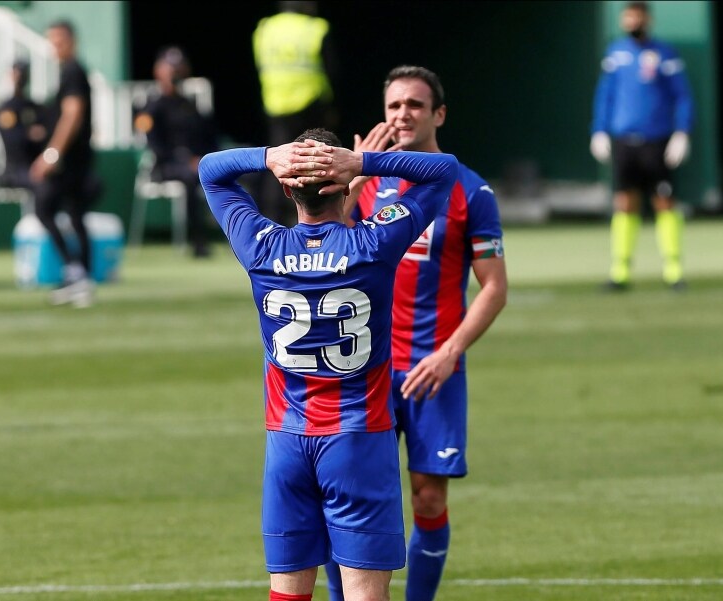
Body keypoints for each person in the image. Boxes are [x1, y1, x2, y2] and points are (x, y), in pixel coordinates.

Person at [198, 128, 457, 601]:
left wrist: (270, 154)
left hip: (287, 443)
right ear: (341, 185)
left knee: (288, 593)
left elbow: (211, 171)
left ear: (284, 186)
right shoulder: (374, 244)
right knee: (363, 593)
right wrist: (362, 161)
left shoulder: (260, 245)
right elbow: (444, 171)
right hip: (359, 440)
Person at [325, 65, 509, 601]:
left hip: (435, 368)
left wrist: (451, 352)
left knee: (427, 499)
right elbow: (321, 251)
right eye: (393, 106)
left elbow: (494, 287)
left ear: (439, 115)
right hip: (368, 368)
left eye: (414, 105)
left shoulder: (471, 190)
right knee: (352, 498)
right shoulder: (364, 186)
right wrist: (355, 180)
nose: (402, 115)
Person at [589, 0, 695, 292]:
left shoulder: (664, 53)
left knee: (664, 201)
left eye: (637, 16)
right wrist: (598, 130)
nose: (632, 22)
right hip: (625, 140)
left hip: (657, 140)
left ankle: (673, 270)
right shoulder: (616, 53)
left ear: (647, 19)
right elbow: (605, 94)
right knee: (624, 202)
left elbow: (682, 96)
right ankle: (620, 271)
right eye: (628, 17)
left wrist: (682, 133)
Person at [29, 18, 103, 308]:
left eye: (60, 39)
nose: (55, 45)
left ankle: (76, 271)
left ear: (71, 40)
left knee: (44, 207)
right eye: (52, 39)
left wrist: (51, 154)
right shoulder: (69, 71)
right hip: (76, 157)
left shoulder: (72, 70)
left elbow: (73, 114)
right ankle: (80, 278)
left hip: (71, 160)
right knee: (75, 214)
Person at [252, 0, 339, 226]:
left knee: (276, 163)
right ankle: (316, 219)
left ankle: (272, 221)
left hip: (275, 104)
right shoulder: (315, 28)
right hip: (310, 104)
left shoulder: (265, 29)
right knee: (315, 161)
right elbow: (331, 70)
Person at [133, 46, 219, 258]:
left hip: (195, 164)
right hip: (166, 167)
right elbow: (154, 145)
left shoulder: (189, 105)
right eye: (170, 69)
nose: (174, 74)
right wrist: (184, 159)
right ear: (158, 71)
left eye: (177, 69)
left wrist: (204, 158)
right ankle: (199, 242)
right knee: (190, 177)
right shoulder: (152, 106)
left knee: (223, 175)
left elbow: (209, 137)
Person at [0, 59, 48, 189]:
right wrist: (29, 134)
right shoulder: (7, 109)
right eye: (17, 73)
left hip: (35, 165)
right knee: (44, 187)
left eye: (23, 73)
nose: (21, 77)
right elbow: (13, 140)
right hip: (15, 170)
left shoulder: (34, 107)